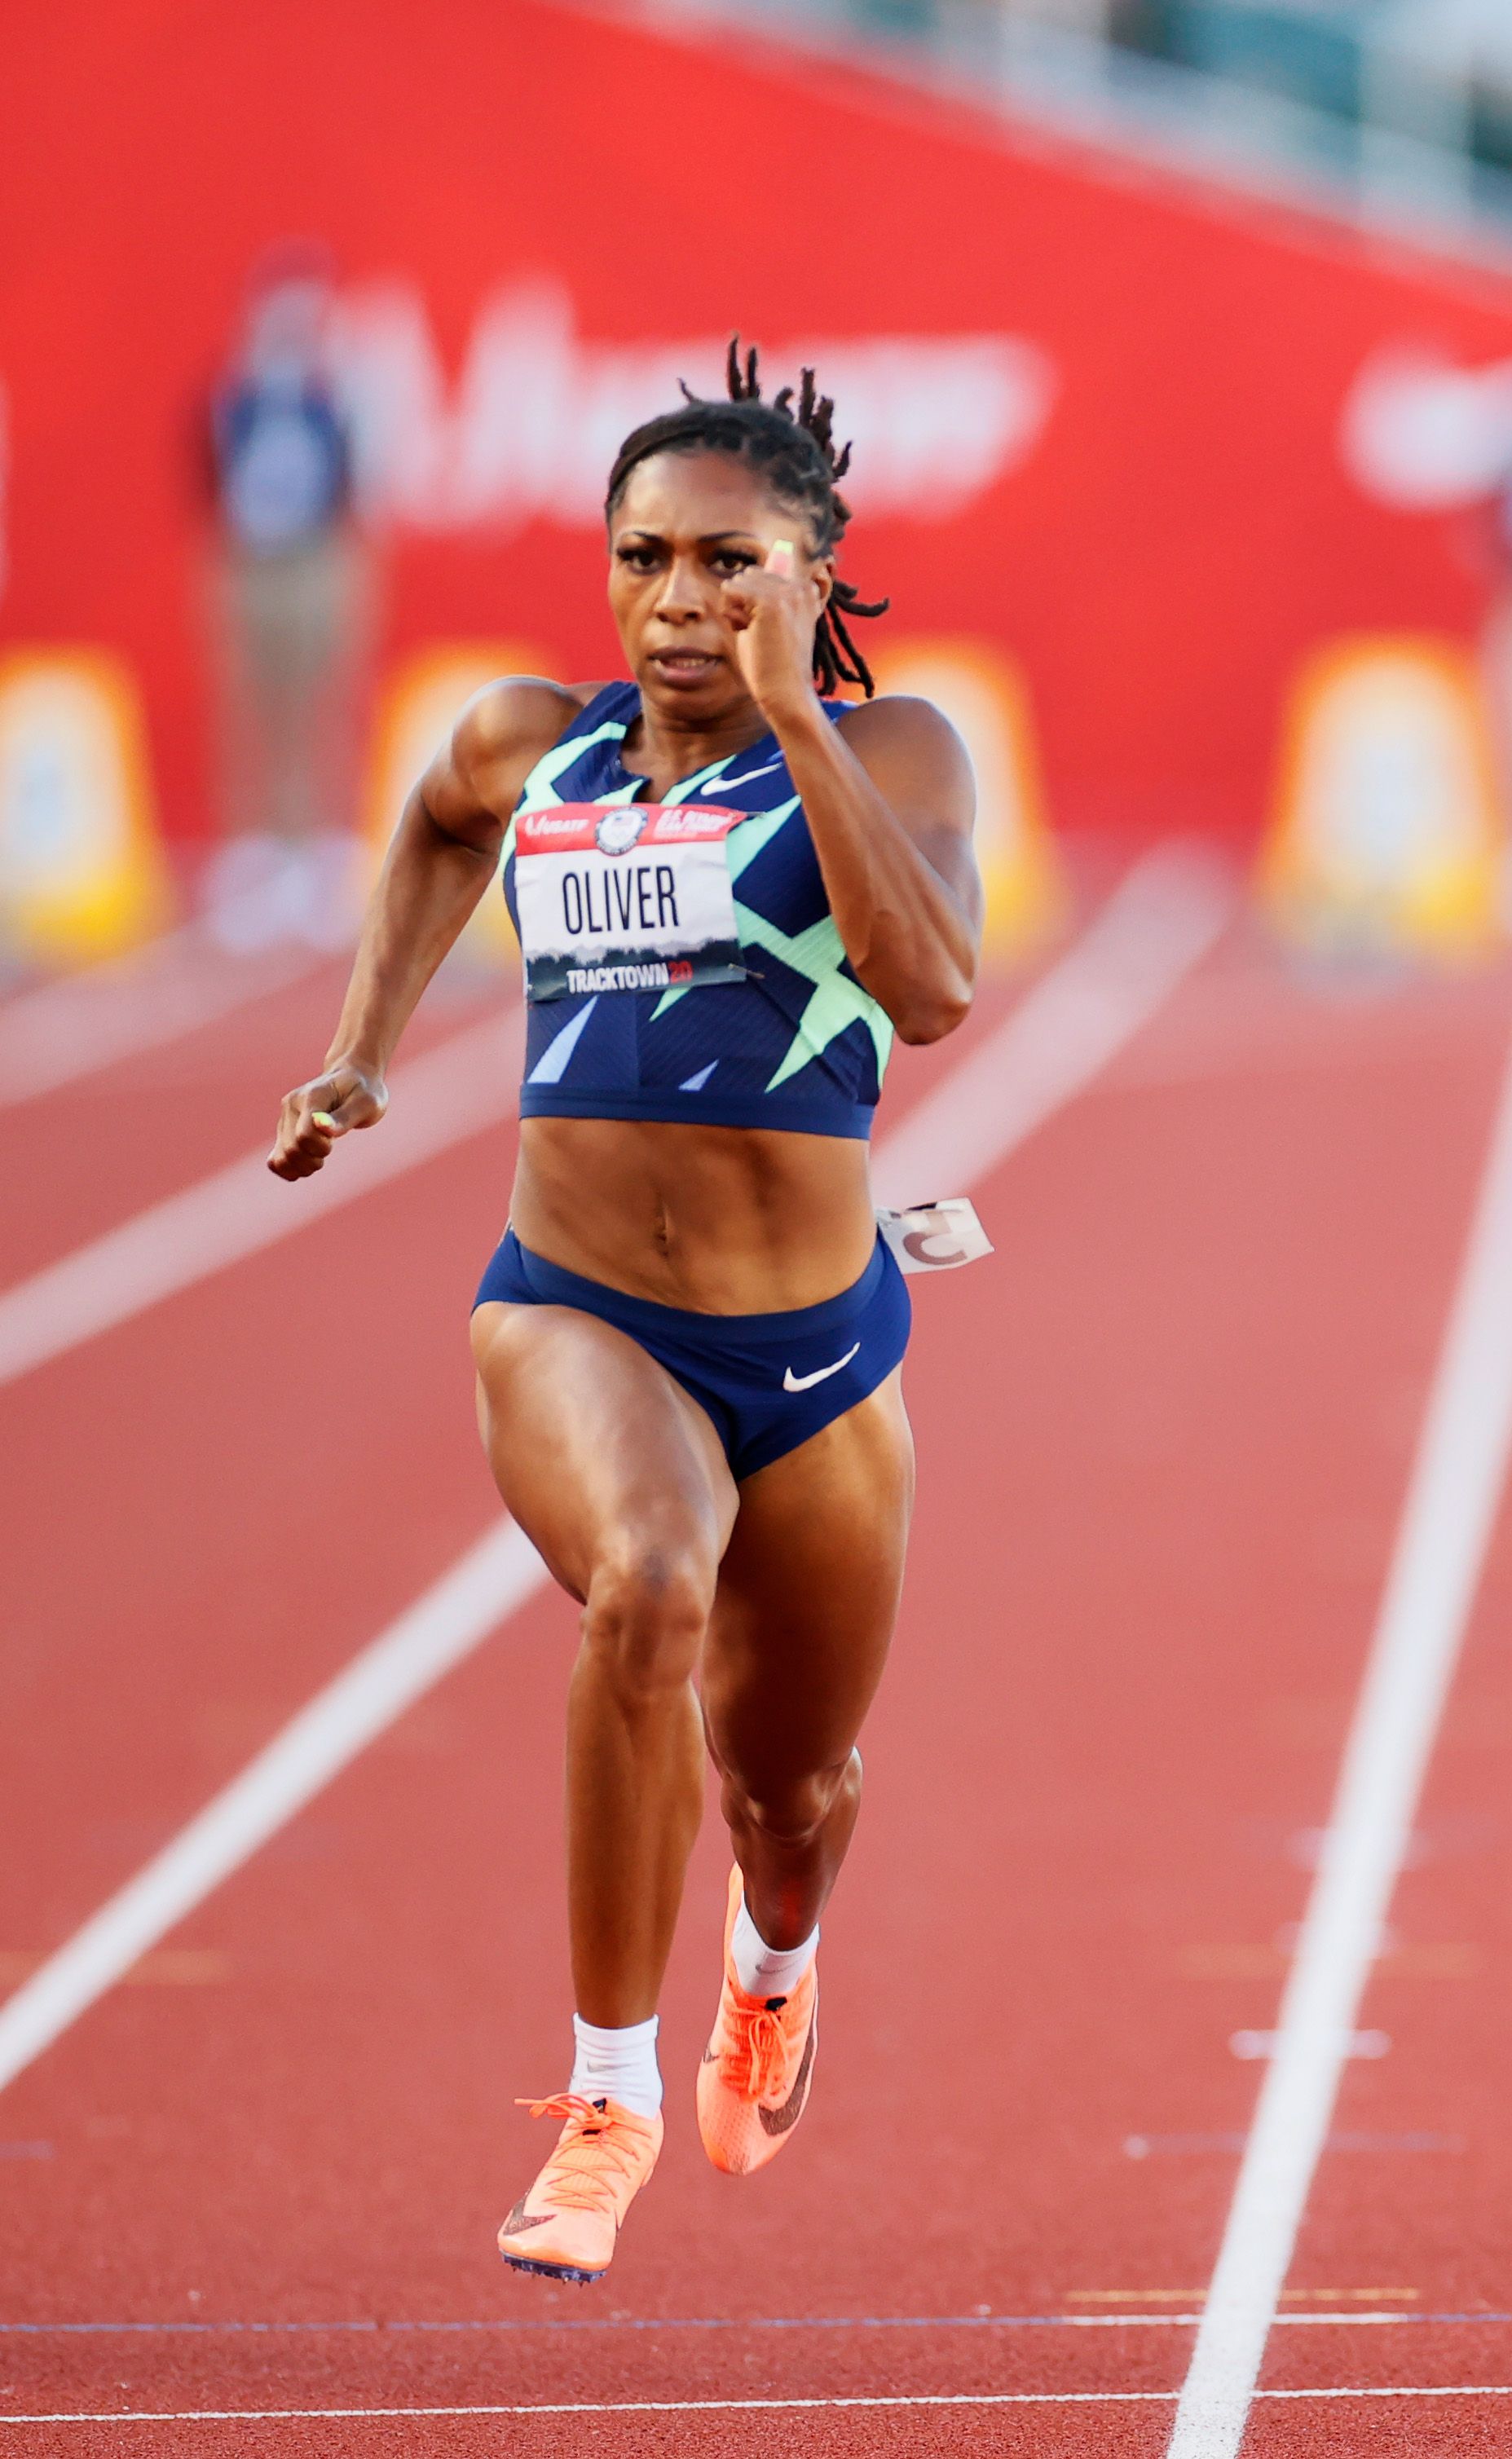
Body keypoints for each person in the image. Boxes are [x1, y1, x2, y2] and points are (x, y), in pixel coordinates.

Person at [269, 344, 980, 2283]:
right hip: (572, 1305)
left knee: (794, 1790)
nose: (681, 600)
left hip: (819, 1344)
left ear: (812, 573)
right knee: (651, 1586)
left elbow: (927, 992)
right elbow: (428, 825)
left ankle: (775, 1963)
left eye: (730, 563)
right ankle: (604, 2095)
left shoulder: (896, 750)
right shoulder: (528, 742)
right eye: (646, 559)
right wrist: (361, 1051)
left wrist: (795, 725)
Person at [205, 243, 370, 949]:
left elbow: (350, 483)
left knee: (317, 702)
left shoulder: (328, 394)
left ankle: (317, 851)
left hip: (313, 560)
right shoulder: (236, 396)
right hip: (253, 561)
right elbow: (211, 478)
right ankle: (257, 851)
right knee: (254, 704)